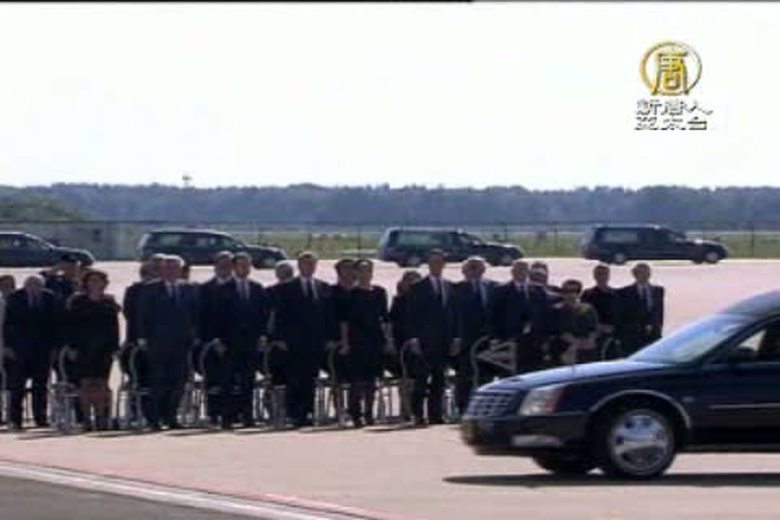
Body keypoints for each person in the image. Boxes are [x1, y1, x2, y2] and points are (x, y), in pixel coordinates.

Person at [272, 251, 336, 428]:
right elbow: (280, 316)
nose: (308, 267)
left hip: (315, 341)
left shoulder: (323, 287)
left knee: (310, 379)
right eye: (305, 264)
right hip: (293, 341)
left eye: (311, 264)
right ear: (299, 266)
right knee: (294, 379)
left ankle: (308, 412)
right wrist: (280, 338)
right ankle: (294, 414)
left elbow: (329, 315)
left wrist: (330, 337)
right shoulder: (287, 288)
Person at [138, 255, 200, 430]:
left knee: (178, 381)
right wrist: (143, 337)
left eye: (175, 268)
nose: (171, 271)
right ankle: (154, 419)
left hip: (182, 343)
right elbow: (143, 315)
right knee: (158, 381)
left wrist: (195, 335)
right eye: (168, 268)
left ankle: (172, 416)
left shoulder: (189, 289)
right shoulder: (150, 289)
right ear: (162, 270)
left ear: (181, 270)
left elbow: (196, 314)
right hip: (157, 343)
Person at [213, 252, 268, 429]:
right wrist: (218, 339)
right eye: (241, 265)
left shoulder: (257, 288)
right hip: (229, 342)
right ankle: (227, 417)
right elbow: (216, 317)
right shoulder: (223, 289)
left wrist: (262, 336)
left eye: (247, 265)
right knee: (228, 381)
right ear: (234, 267)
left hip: (251, 342)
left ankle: (247, 416)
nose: (245, 268)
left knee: (248, 381)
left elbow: (263, 314)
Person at [407, 249, 460, 426]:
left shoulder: (449, 286)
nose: (436, 265)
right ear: (428, 264)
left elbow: (454, 314)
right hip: (424, 340)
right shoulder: (418, 287)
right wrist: (414, 338)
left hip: (444, 340)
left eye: (439, 262)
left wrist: (456, 338)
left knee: (439, 379)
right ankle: (417, 414)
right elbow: (412, 315)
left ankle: (435, 414)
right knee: (421, 379)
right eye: (433, 262)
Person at [3, 275, 63, 430]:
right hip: (19, 349)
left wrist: (54, 348)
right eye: (30, 285)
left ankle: (40, 418)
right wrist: (6, 346)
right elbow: (7, 324)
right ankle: (16, 419)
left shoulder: (49, 298)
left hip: (42, 349)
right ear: (25, 286)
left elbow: (56, 324)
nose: (33, 288)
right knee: (17, 386)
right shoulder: (15, 298)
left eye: (37, 285)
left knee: (40, 385)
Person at [65, 270, 121, 431]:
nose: (95, 283)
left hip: (104, 347)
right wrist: (71, 346)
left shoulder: (109, 302)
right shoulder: (77, 301)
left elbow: (114, 326)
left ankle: (101, 417)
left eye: (98, 280)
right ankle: (86, 419)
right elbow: (70, 325)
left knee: (102, 383)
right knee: (85, 384)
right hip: (83, 347)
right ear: (86, 283)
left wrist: (115, 347)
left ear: (104, 283)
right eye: (92, 281)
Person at [340, 259, 388, 427]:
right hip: (357, 341)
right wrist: (345, 342)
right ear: (356, 273)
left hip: (375, 340)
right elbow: (345, 321)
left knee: (371, 380)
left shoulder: (379, 292)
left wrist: (387, 340)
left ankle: (369, 413)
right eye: (361, 270)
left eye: (368, 270)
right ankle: (355, 414)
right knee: (357, 380)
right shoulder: (350, 294)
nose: (365, 274)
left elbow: (384, 319)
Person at [453, 257, 497, 415]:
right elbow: (453, 315)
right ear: (464, 271)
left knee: (487, 375)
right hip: (466, 339)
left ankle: (485, 408)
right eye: (471, 267)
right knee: (465, 375)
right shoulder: (456, 289)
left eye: (478, 267)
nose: (475, 271)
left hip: (488, 340)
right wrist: (456, 337)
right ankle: (463, 409)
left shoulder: (494, 287)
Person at [490, 260, 550, 374]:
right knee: (508, 373)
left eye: (524, 270)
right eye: (518, 270)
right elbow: (493, 315)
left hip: (533, 342)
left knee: (532, 372)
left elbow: (544, 314)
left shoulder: (538, 290)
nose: (521, 273)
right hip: (509, 340)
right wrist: (496, 337)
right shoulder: (500, 290)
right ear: (512, 272)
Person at [197, 251, 235, 425]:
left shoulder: (239, 287)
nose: (224, 268)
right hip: (210, 343)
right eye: (221, 265)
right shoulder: (204, 289)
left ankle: (231, 414)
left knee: (232, 380)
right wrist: (212, 339)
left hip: (234, 343)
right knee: (212, 381)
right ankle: (213, 413)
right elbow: (201, 317)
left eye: (228, 265)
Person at [120, 262, 156, 424]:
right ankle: (137, 412)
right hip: (136, 343)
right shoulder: (134, 291)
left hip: (161, 343)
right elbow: (131, 315)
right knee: (138, 378)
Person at [616, 263, 665, 356]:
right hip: (633, 336)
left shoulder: (658, 291)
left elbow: (659, 312)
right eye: (641, 273)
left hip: (653, 335)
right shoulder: (624, 293)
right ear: (635, 275)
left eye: (647, 273)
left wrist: (658, 327)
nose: (645, 276)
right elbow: (620, 315)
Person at [548, 279, 600, 366]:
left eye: (575, 291)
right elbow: (558, 331)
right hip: (564, 349)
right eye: (567, 291)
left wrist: (590, 340)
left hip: (586, 349)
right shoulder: (556, 310)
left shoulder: (588, 309)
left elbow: (594, 328)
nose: (571, 294)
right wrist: (575, 343)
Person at [581, 264, 619, 358]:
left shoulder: (616, 294)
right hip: (595, 333)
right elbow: (584, 314)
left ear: (608, 276)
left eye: (604, 274)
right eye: (599, 274)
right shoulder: (588, 294)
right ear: (594, 276)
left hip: (614, 333)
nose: (602, 276)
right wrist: (598, 327)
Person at [0, 275, 16, 425]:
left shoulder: (17, 301)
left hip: (13, 349)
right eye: (4, 285)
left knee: (12, 383)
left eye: (10, 285)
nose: (8, 289)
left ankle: (11, 413)